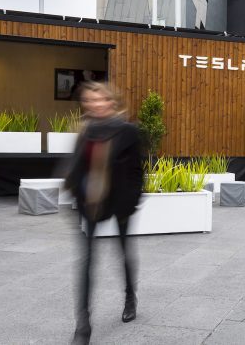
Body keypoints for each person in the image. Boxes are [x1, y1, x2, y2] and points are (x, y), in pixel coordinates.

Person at [65, 82, 144, 344]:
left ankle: (130, 296)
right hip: (91, 203)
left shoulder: (128, 131)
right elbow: (76, 167)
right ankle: (83, 325)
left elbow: (136, 171)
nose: (95, 104)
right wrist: (75, 194)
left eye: (101, 100)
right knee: (86, 262)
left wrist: (130, 202)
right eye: (90, 100)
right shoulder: (85, 131)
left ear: (112, 102)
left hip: (119, 203)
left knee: (123, 253)